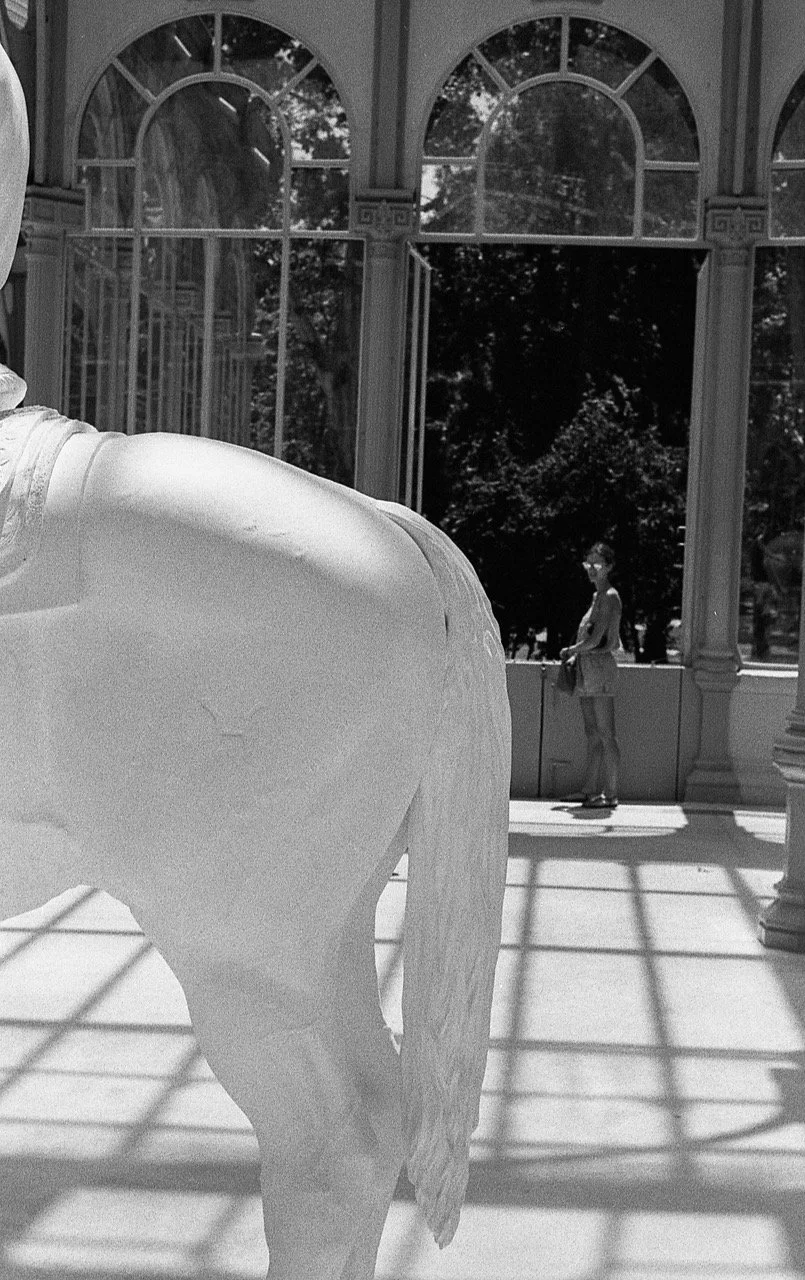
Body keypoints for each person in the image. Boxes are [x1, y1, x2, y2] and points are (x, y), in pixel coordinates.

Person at [560, 541, 622, 809]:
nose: (593, 569)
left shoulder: (609, 596)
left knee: (606, 732)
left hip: (599, 665)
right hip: (587, 666)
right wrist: (576, 654)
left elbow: (598, 639)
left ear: (608, 567)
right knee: (592, 732)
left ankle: (611, 793)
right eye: (590, 563)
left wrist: (572, 649)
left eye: (598, 564)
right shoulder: (597, 597)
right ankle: (590, 789)